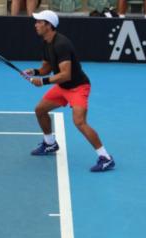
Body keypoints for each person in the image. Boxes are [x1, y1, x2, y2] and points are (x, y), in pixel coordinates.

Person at [25, 10, 115, 172]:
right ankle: (50, 143)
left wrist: (43, 82)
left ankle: (106, 158)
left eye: (39, 22)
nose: (36, 24)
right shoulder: (46, 42)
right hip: (62, 87)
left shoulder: (62, 44)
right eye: (36, 21)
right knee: (40, 110)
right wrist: (35, 72)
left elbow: (65, 75)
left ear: (48, 25)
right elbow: (46, 68)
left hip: (78, 87)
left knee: (79, 122)